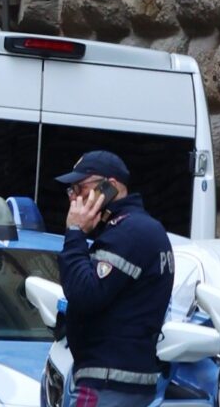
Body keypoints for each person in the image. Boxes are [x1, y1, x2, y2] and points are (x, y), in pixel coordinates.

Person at [55, 150, 174, 407]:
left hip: (109, 382)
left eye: (80, 187)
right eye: (71, 190)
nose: (75, 197)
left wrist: (74, 232)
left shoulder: (129, 232)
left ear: (111, 185)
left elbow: (84, 293)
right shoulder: (134, 229)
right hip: (120, 380)